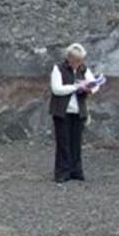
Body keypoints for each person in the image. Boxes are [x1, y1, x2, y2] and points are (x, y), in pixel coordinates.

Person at [49, 43, 99, 183]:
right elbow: (57, 89)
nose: (78, 63)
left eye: (80, 60)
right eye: (76, 60)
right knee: (63, 142)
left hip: (79, 111)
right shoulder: (58, 69)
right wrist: (76, 87)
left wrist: (90, 88)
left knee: (76, 142)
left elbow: (94, 85)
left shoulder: (84, 69)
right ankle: (62, 172)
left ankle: (76, 170)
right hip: (62, 111)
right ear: (69, 58)